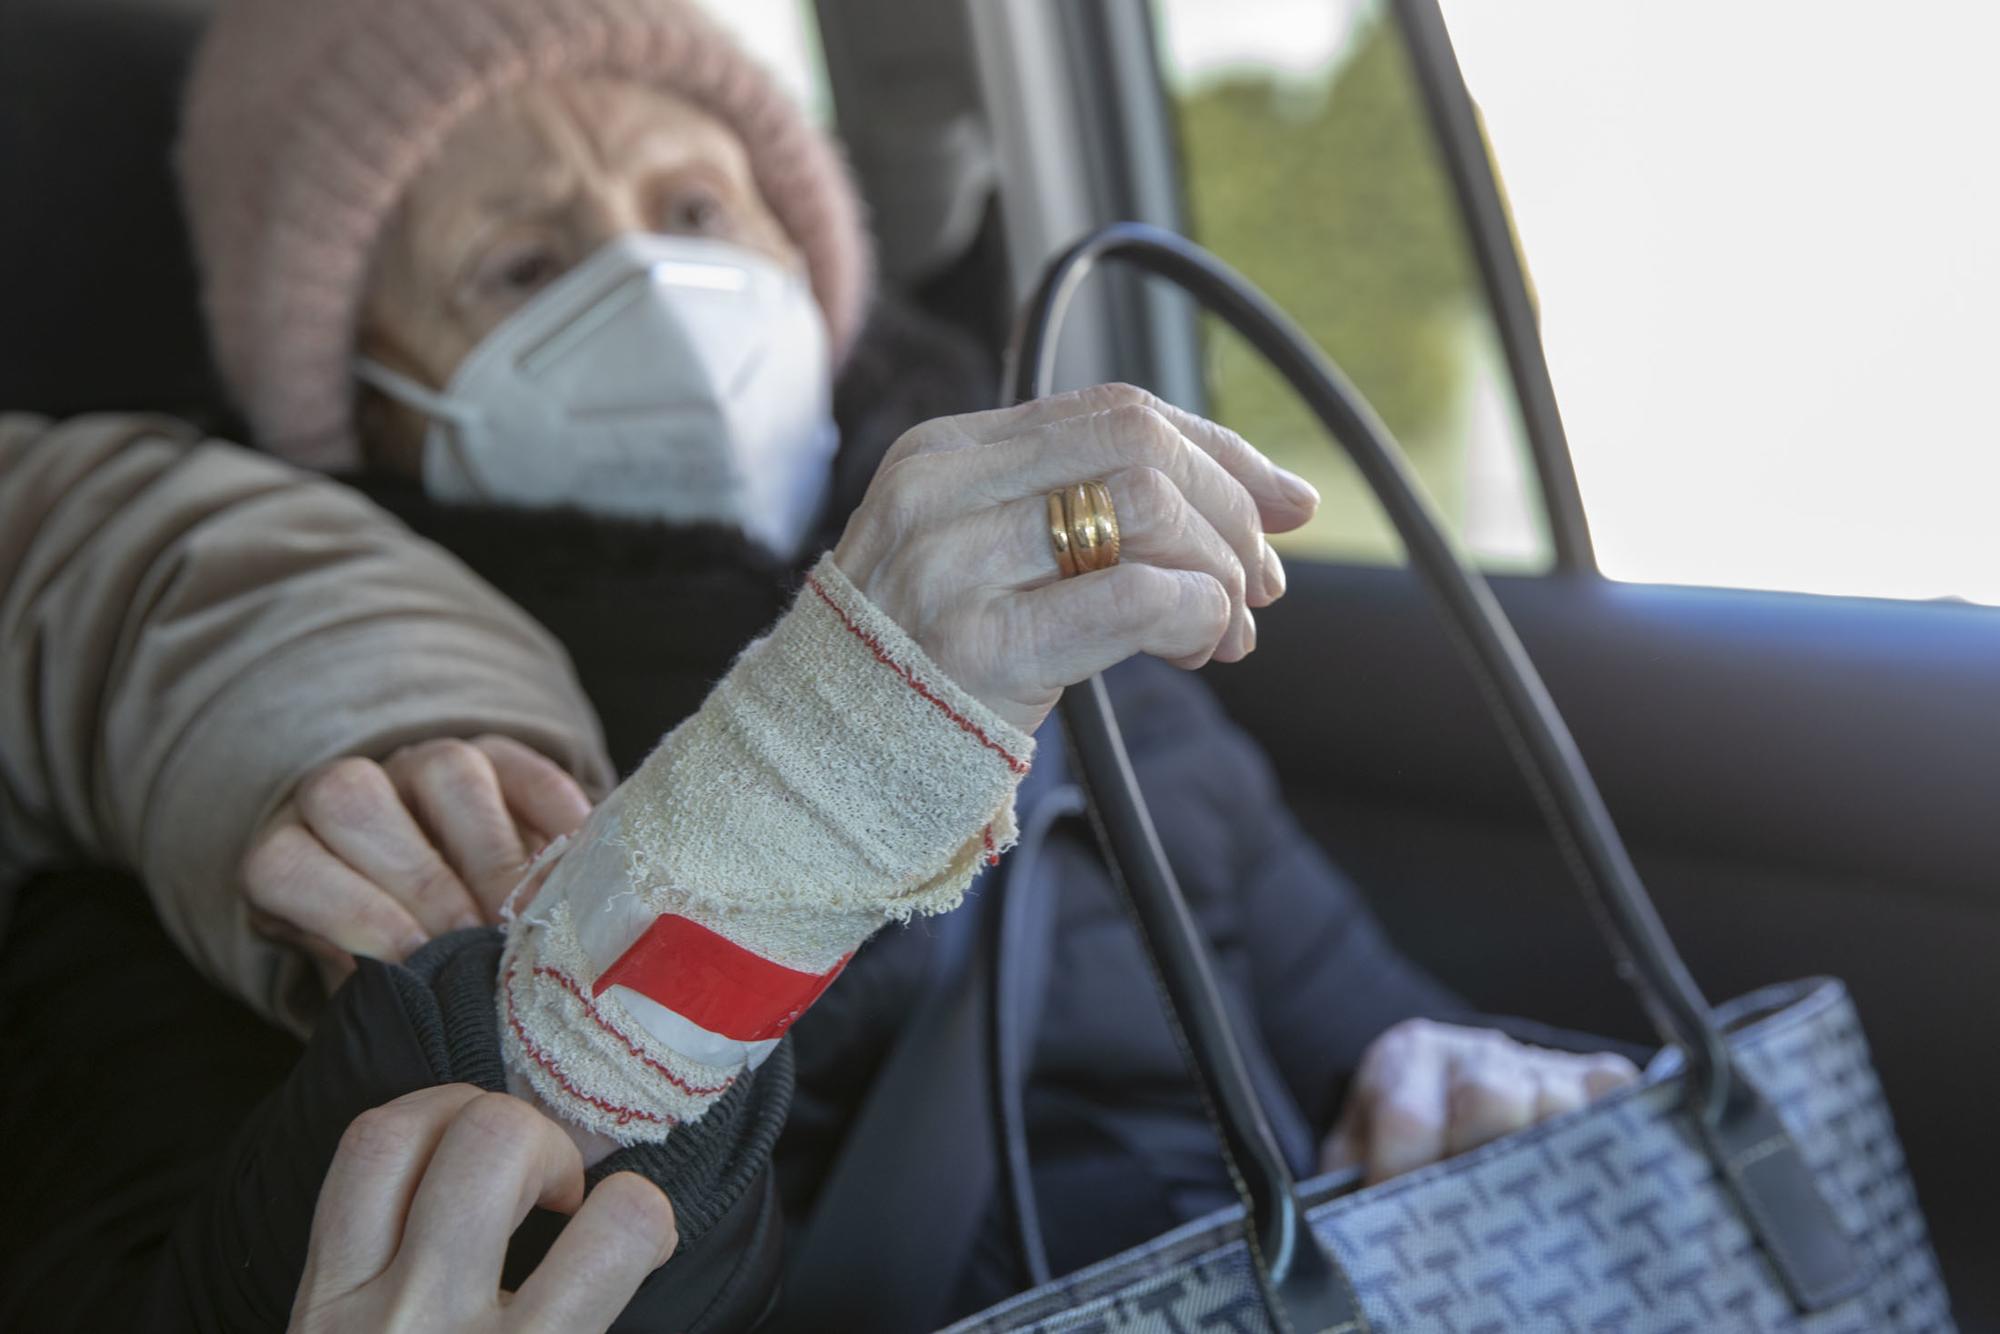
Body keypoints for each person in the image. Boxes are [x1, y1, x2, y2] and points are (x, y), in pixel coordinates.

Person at [11, 0, 1644, 1326]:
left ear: (806, 248)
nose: (647, 284)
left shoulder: (1066, 617)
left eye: (697, 209)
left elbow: (1341, 999)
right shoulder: (321, 787)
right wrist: (827, 756)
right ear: (366, 398)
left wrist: (1439, 1069)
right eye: (520, 267)